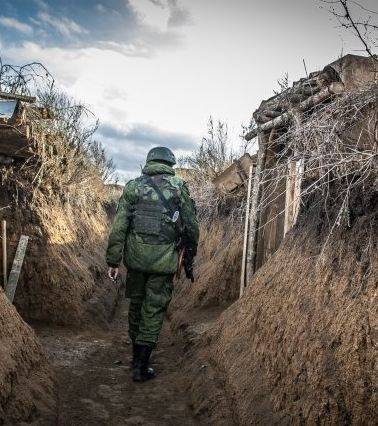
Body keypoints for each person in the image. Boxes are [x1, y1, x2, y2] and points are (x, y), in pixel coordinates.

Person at [106, 146, 199, 382]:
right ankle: (142, 365)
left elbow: (119, 227)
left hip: (135, 262)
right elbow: (191, 227)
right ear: (170, 164)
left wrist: (113, 260)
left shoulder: (132, 187)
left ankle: (135, 358)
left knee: (136, 306)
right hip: (164, 263)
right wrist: (190, 253)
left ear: (149, 162)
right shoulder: (179, 188)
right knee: (153, 310)